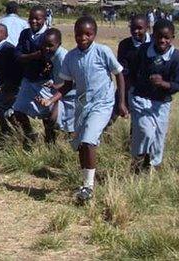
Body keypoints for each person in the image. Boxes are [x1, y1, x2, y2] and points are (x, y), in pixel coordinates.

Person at [39, 16, 127, 203]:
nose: (83, 37)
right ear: (75, 34)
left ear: (94, 34)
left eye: (88, 34)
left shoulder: (103, 51)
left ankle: (89, 187)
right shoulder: (71, 57)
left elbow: (118, 74)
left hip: (102, 103)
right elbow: (67, 85)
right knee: (80, 144)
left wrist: (121, 102)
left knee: (88, 141)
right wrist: (51, 100)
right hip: (82, 105)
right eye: (79, 34)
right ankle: (85, 182)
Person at [129, 19, 179, 173]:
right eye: (159, 37)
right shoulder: (144, 51)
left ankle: (153, 166)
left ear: (173, 37)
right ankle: (137, 160)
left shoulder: (175, 57)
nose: (162, 40)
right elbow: (132, 71)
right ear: (153, 35)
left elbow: (177, 84)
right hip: (141, 98)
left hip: (161, 103)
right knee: (145, 131)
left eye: (167, 38)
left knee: (158, 137)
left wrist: (164, 84)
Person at [14, 28, 71, 144]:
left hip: (70, 94)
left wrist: (54, 90)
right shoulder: (49, 54)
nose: (46, 48)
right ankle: (48, 144)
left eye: (50, 45)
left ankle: (56, 146)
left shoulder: (62, 57)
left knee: (59, 121)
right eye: (44, 45)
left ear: (59, 44)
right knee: (51, 119)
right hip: (59, 90)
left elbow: (70, 83)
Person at [12, 5, 48, 145]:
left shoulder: (49, 34)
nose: (34, 21)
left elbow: (49, 57)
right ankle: (30, 135)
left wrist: (26, 57)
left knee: (47, 116)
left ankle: (50, 143)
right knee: (18, 110)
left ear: (44, 19)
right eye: (31, 18)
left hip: (44, 81)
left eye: (37, 19)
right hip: (28, 79)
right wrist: (35, 55)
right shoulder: (25, 34)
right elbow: (17, 55)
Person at [0, 1, 28, 105]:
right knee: (12, 84)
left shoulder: (1, 20)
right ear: (17, 10)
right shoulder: (23, 23)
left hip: (1, 53)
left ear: (7, 10)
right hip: (14, 55)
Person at [113, 15, 151, 124]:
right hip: (128, 85)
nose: (135, 31)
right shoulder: (125, 45)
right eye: (132, 28)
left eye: (139, 28)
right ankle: (103, 136)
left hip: (148, 90)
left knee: (139, 123)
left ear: (147, 27)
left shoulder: (154, 43)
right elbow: (123, 72)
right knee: (112, 115)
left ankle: (131, 140)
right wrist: (122, 99)